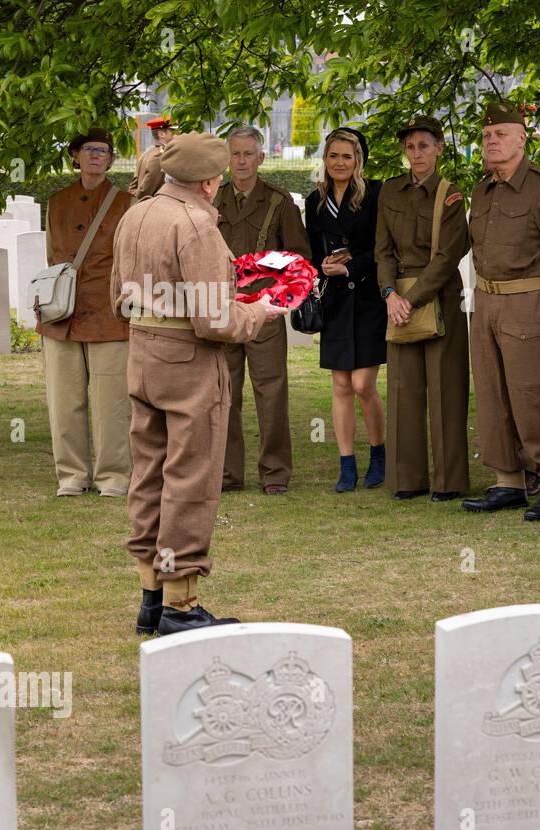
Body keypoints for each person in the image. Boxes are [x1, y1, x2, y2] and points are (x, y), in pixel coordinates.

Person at [108, 132, 288, 635]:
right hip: (188, 363)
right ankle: (179, 606)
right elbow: (215, 321)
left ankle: (150, 596)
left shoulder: (135, 214)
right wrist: (260, 311)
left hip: (143, 353)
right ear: (211, 182)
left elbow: (115, 297)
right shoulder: (195, 225)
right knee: (190, 479)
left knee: (149, 475)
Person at [460, 102, 540, 521]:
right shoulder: (482, 190)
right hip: (486, 302)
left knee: (533, 394)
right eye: (486, 136)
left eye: (501, 134)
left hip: (530, 302)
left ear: (522, 139)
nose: (491, 141)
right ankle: (507, 482)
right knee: (493, 395)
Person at [375, 115, 472, 502]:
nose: (416, 153)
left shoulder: (450, 195)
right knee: (403, 388)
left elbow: (449, 256)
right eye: (411, 146)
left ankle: (449, 481)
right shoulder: (390, 192)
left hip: (440, 298)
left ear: (439, 149)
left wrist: (410, 300)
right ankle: (406, 479)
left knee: (446, 388)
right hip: (396, 297)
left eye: (424, 146)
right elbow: (382, 250)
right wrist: (388, 294)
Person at [215, 125, 312, 495]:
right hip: (222, 310)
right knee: (225, 393)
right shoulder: (212, 199)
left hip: (263, 312)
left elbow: (300, 258)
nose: (241, 161)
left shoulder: (278, 202)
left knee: (271, 393)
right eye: (235, 154)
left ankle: (275, 472)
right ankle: (226, 473)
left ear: (260, 157)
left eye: (247, 154)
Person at [39, 127, 134, 497]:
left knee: (111, 403)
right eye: (88, 150)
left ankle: (113, 478)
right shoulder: (57, 201)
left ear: (111, 160)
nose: (96, 155)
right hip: (60, 315)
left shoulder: (125, 202)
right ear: (75, 156)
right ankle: (72, 476)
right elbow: (52, 255)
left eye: (103, 151)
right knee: (64, 401)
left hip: (108, 315)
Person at [305, 127, 388, 493]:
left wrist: (351, 266)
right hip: (336, 300)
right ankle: (346, 465)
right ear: (325, 159)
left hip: (368, 297)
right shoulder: (315, 200)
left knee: (362, 384)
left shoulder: (375, 195)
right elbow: (311, 249)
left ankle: (379, 454)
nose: (339, 162)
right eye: (333, 155)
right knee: (340, 385)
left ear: (358, 160)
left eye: (347, 156)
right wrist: (322, 265)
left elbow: (383, 249)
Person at [129, 116, 174, 200]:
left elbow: (133, 186)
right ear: (161, 134)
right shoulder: (160, 156)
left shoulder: (148, 152)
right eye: (173, 132)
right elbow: (145, 191)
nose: (177, 135)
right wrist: (136, 201)